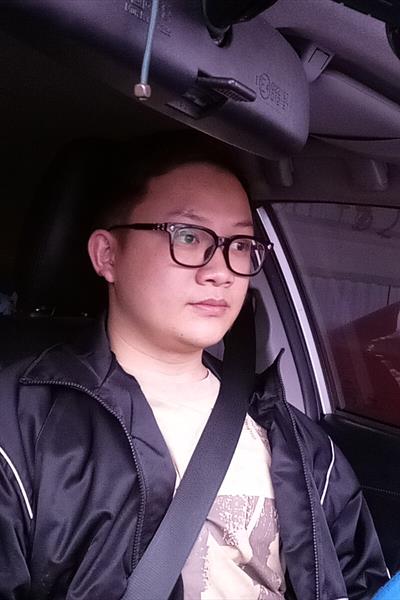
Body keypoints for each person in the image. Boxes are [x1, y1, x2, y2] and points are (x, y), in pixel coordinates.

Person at [0, 132, 389, 599]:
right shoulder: (20, 427)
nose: (221, 270)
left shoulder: (300, 443)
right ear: (108, 255)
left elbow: (358, 582)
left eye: (240, 244)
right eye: (188, 236)